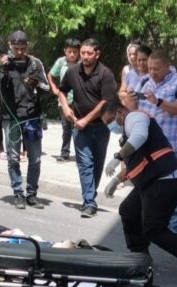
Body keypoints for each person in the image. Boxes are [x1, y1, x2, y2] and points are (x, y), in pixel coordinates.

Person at [100, 101, 177, 277]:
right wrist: (115, 180)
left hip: (166, 181)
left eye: (110, 120)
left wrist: (117, 157)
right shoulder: (127, 132)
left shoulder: (135, 117)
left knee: (153, 229)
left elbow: (139, 137)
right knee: (128, 211)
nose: (111, 126)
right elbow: (140, 160)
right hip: (153, 181)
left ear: (120, 111)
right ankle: (140, 256)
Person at [131, 49, 177, 237]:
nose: (152, 72)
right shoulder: (144, 82)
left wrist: (159, 102)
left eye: (156, 69)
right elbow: (137, 108)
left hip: (169, 148)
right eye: (149, 68)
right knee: (145, 188)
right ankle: (150, 223)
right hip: (146, 147)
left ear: (168, 66)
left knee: (173, 191)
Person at [57, 38, 118, 218]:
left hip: (101, 127)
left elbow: (105, 102)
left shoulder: (106, 74)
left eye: (89, 53)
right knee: (85, 164)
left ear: (97, 54)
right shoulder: (72, 71)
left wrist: (87, 119)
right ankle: (89, 202)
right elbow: (61, 90)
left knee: (97, 165)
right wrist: (66, 108)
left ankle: (90, 196)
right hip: (79, 127)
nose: (84, 56)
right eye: (82, 53)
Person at [0, 31, 50, 210]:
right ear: (10, 46)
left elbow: (47, 88)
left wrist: (36, 83)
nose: (19, 52)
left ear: (28, 46)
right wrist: (3, 69)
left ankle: (32, 194)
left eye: (22, 48)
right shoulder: (4, 63)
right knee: (13, 158)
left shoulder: (36, 64)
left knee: (35, 159)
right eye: (16, 48)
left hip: (32, 116)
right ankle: (18, 192)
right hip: (11, 117)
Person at [47, 38, 81, 162]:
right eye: (69, 51)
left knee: (78, 128)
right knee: (66, 128)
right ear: (65, 51)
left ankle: (80, 154)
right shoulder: (61, 62)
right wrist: (54, 88)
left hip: (79, 101)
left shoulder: (82, 63)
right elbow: (50, 75)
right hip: (64, 101)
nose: (72, 54)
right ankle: (64, 152)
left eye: (75, 52)